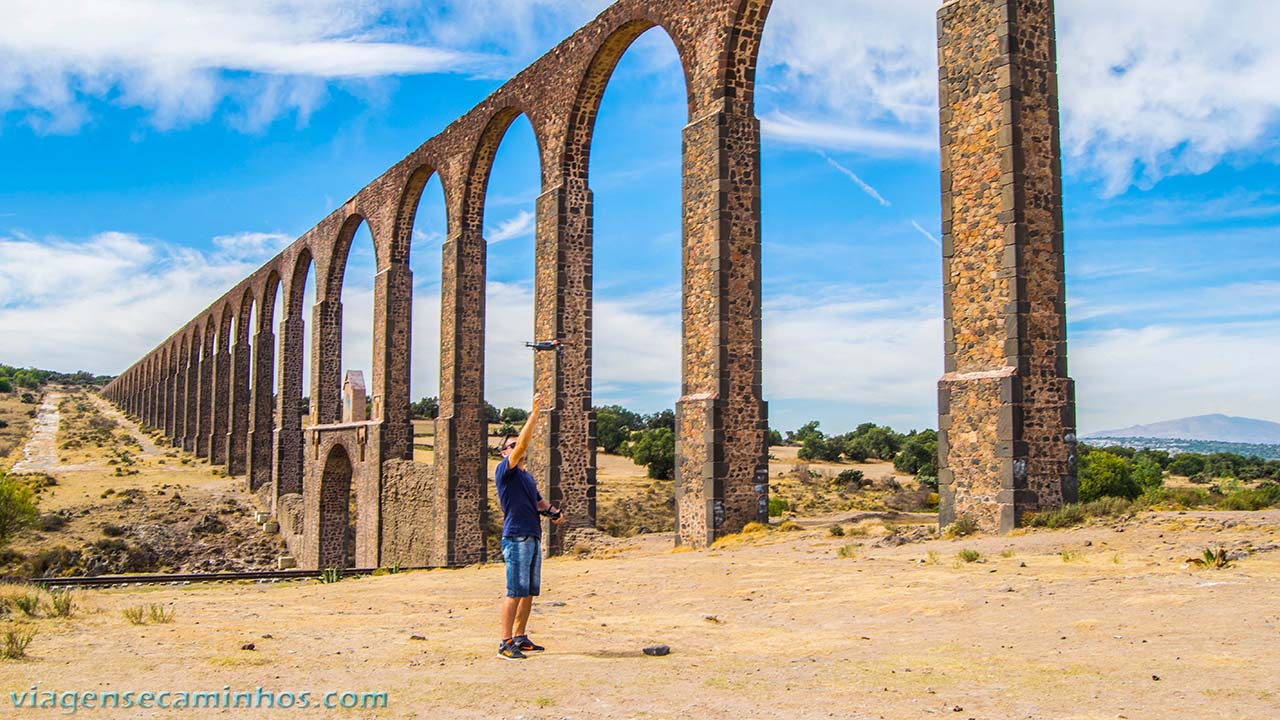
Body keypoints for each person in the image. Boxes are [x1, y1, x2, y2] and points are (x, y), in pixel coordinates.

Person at [495, 391, 563, 659]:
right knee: (514, 591)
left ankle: (521, 636)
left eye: (515, 446)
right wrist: (534, 413)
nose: (516, 448)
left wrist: (553, 511)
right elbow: (523, 445)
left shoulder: (527, 477)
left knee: (529, 592)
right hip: (516, 536)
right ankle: (505, 642)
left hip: (533, 535)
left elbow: (538, 502)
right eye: (510, 446)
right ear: (504, 452)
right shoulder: (505, 471)